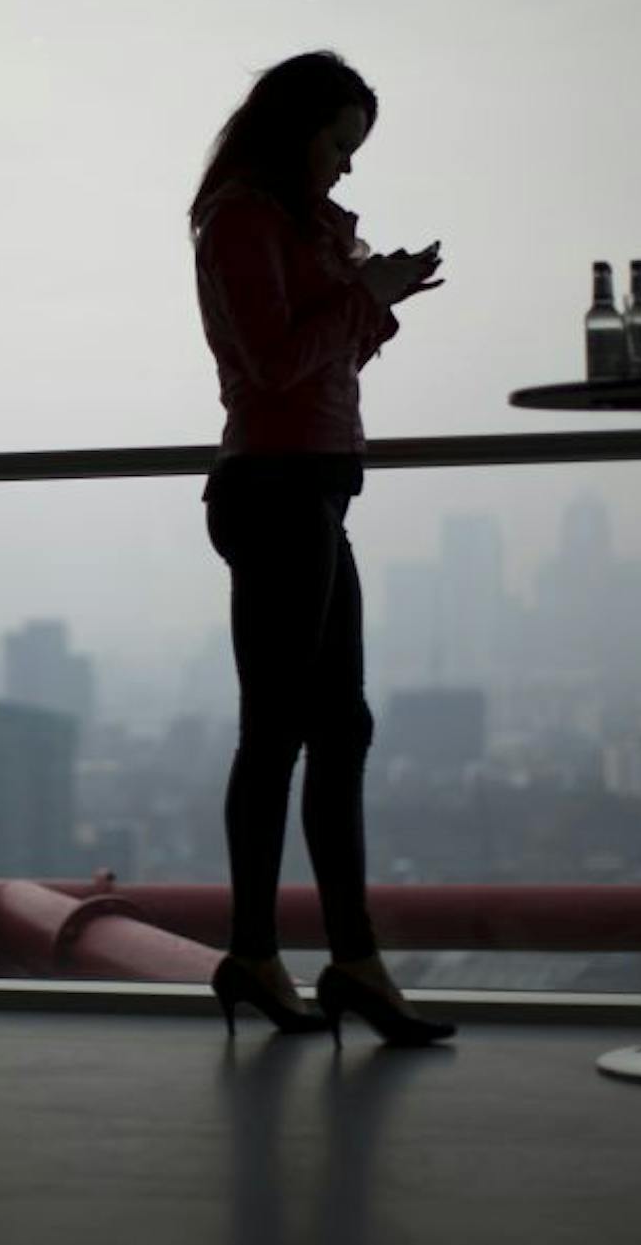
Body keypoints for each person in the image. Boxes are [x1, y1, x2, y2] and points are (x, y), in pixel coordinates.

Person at [190, 51, 454, 1046]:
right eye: (339, 143)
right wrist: (362, 297)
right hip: (275, 492)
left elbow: (322, 357)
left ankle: (348, 960)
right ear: (293, 127)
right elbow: (271, 363)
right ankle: (259, 952)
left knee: (336, 728)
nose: (346, 168)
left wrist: (377, 300)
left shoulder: (292, 224)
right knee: (281, 731)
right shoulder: (241, 222)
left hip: (313, 492)